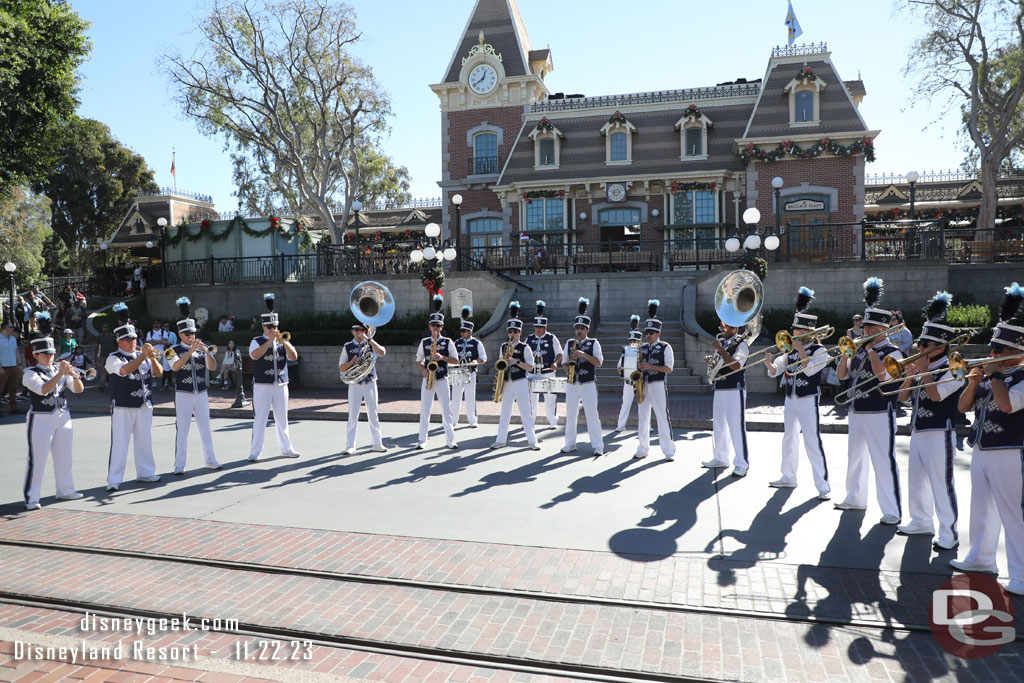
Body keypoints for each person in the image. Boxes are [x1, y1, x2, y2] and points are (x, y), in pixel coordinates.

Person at [951, 283, 1024, 595]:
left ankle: (1021, 573)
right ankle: (981, 557)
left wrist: (994, 376)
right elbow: (963, 407)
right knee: (980, 507)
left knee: (1014, 514)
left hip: (1010, 451)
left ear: (1014, 353)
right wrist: (973, 383)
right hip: (981, 448)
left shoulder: (1020, 377)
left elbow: (1008, 405)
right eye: (991, 349)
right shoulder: (990, 375)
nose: (991, 354)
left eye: (997, 351)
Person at [895, 291, 962, 551]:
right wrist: (911, 375)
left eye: (925, 345)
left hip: (939, 431)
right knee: (917, 479)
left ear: (941, 346)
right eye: (920, 344)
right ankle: (921, 520)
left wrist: (922, 371)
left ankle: (950, 531)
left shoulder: (954, 368)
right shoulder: (923, 366)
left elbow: (935, 396)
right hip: (918, 429)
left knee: (941, 482)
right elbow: (902, 397)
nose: (919, 349)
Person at [834, 277, 904, 524]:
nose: (864, 331)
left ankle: (892, 510)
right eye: (864, 328)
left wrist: (872, 349)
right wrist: (845, 356)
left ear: (882, 330)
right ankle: (855, 497)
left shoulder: (893, 352)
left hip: (879, 412)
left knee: (883, 461)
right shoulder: (859, 349)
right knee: (855, 458)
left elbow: (882, 376)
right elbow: (842, 376)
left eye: (869, 329)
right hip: (857, 411)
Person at [762, 287, 830, 499]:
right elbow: (776, 371)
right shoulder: (789, 350)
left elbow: (810, 370)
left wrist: (800, 350)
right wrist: (768, 364)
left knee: (812, 440)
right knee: (789, 438)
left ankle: (823, 486)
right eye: (793, 331)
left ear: (808, 332)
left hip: (808, 399)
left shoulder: (820, 351)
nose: (793, 334)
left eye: (797, 331)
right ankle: (788, 476)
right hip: (791, 398)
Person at [21, 312, 84, 509]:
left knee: (65, 455)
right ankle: (32, 497)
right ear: (36, 355)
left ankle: (65, 490)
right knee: (37, 459)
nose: (50, 357)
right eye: (46, 354)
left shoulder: (59, 369)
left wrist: (74, 374)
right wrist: (61, 373)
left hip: (63, 416)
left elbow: (78, 390)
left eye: (52, 354)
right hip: (41, 418)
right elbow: (43, 389)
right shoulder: (30, 373)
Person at [105, 302, 163, 491]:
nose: (133, 342)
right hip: (123, 405)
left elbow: (159, 373)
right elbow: (124, 370)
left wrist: (152, 357)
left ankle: (146, 473)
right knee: (120, 444)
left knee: (144, 441)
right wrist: (142, 356)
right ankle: (114, 480)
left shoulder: (143, 355)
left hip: (144, 404)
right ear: (119, 341)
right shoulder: (113, 357)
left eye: (135, 339)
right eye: (128, 340)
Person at [168, 297, 221, 474]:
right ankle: (179, 465)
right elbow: (175, 367)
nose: (192, 337)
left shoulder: (200, 348)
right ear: (181, 334)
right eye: (188, 334)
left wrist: (207, 353)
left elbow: (213, 368)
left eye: (193, 333)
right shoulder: (172, 350)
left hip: (201, 392)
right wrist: (189, 351)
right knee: (183, 429)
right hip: (183, 392)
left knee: (205, 427)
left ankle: (210, 460)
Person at [248, 293, 301, 461]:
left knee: (282, 419)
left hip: (281, 384)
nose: (272, 330)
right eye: (269, 327)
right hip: (262, 385)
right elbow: (255, 355)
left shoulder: (282, 340)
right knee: (260, 419)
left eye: (275, 327)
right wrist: (270, 341)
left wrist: (283, 341)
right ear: (263, 326)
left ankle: (286, 448)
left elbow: (294, 357)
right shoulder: (256, 340)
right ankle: (255, 451)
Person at [702, 319, 751, 477]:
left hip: (734, 389)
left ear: (734, 328)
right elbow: (719, 365)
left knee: (736, 427)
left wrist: (721, 351)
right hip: (720, 388)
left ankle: (742, 464)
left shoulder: (741, 345)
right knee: (719, 426)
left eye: (725, 327)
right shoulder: (723, 342)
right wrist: (712, 362)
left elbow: (736, 366)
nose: (722, 329)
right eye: (721, 327)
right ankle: (720, 457)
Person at [491, 302, 539, 450]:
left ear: (520, 333)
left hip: (520, 381)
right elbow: (500, 364)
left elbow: (531, 367)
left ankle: (532, 441)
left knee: (526, 412)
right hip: (507, 382)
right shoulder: (504, 346)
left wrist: (516, 361)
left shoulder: (525, 348)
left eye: (515, 331)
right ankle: (500, 440)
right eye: (510, 331)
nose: (512, 334)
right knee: (505, 413)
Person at [633, 300, 676, 461]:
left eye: (651, 332)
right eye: (647, 332)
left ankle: (668, 450)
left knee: (661, 416)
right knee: (643, 417)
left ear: (658, 333)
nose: (648, 335)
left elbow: (669, 368)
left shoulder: (665, 347)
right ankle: (643, 448)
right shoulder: (641, 348)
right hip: (643, 385)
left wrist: (650, 366)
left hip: (657, 385)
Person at [561, 298, 604, 456]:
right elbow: (564, 362)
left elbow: (598, 362)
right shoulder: (569, 343)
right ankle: (570, 443)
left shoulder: (594, 343)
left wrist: (583, 354)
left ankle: (598, 445)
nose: (578, 330)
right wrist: (567, 370)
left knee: (592, 414)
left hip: (588, 382)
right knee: (571, 414)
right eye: (577, 328)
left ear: (587, 329)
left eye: (581, 328)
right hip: (572, 383)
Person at [415, 294, 458, 449]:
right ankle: (422, 440)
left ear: (442, 327)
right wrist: (424, 371)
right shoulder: (424, 342)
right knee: (425, 410)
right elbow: (418, 360)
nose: (435, 328)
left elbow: (456, 360)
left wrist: (442, 357)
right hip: (428, 378)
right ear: (429, 327)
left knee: (446, 410)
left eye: (438, 325)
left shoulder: (448, 342)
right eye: (433, 325)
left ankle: (450, 439)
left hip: (442, 379)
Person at [339, 321, 388, 454]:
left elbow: (382, 352)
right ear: (352, 331)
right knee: (353, 415)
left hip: (370, 382)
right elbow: (341, 367)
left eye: (361, 330)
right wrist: (351, 363)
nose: (358, 332)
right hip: (354, 384)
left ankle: (377, 443)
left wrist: (369, 340)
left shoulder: (370, 344)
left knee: (373, 413)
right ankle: (350, 445)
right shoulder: (348, 346)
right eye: (355, 329)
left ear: (365, 331)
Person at [524, 301, 562, 431]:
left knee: (550, 398)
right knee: (531, 400)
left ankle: (552, 420)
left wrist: (555, 363)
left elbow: (559, 354)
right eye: (536, 327)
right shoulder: (529, 339)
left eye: (540, 327)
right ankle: (530, 422)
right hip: (532, 372)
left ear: (545, 328)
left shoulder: (552, 338)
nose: (538, 329)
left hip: (547, 372)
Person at [451, 306, 486, 427]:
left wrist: (476, 361)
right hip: (457, 372)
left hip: (470, 372)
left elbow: (483, 358)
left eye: (464, 331)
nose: (461, 333)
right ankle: (453, 420)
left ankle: (472, 420)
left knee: (470, 396)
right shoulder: (457, 342)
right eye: (461, 331)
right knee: (455, 396)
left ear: (470, 331)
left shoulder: (476, 343)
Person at [614, 316, 643, 432]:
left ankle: (647, 425)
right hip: (628, 383)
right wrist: (621, 369)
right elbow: (619, 366)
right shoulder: (625, 352)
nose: (632, 343)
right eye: (631, 341)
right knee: (625, 404)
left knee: (643, 406)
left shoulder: (643, 352)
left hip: (640, 382)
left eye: (635, 341)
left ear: (639, 342)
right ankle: (621, 425)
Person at [0, 322, 22, 416]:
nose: (13, 329)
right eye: (11, 327)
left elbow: (16, 351)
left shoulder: (13, 339)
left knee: (13, 389)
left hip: (13, 366)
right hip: (3, 367)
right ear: (6, 328)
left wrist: (19, 364)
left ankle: (14, 408)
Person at [95, 323, 117, 392]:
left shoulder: (113, 336)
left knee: (112, 371)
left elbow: (117, 346)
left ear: (108, 328)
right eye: (103, 327)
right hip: (103, 356)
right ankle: (102, 386)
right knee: (103, 371)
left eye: (106, 327)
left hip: (112, 356)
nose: (105, 329)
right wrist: (95, 356)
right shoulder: (99, 337)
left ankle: (113, 385)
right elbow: (96, 347)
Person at [162, 322, 178, 389]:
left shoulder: (173, 334)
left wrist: (171, 348)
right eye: (165, 326)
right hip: (163, 352)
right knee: (164, 369)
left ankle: (170, 383)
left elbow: (175, 342)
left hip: (171, 352)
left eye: (168, 326)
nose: (167, 327)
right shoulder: (161, 334)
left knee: (171, 368)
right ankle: (164, 384)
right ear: (163, 327)